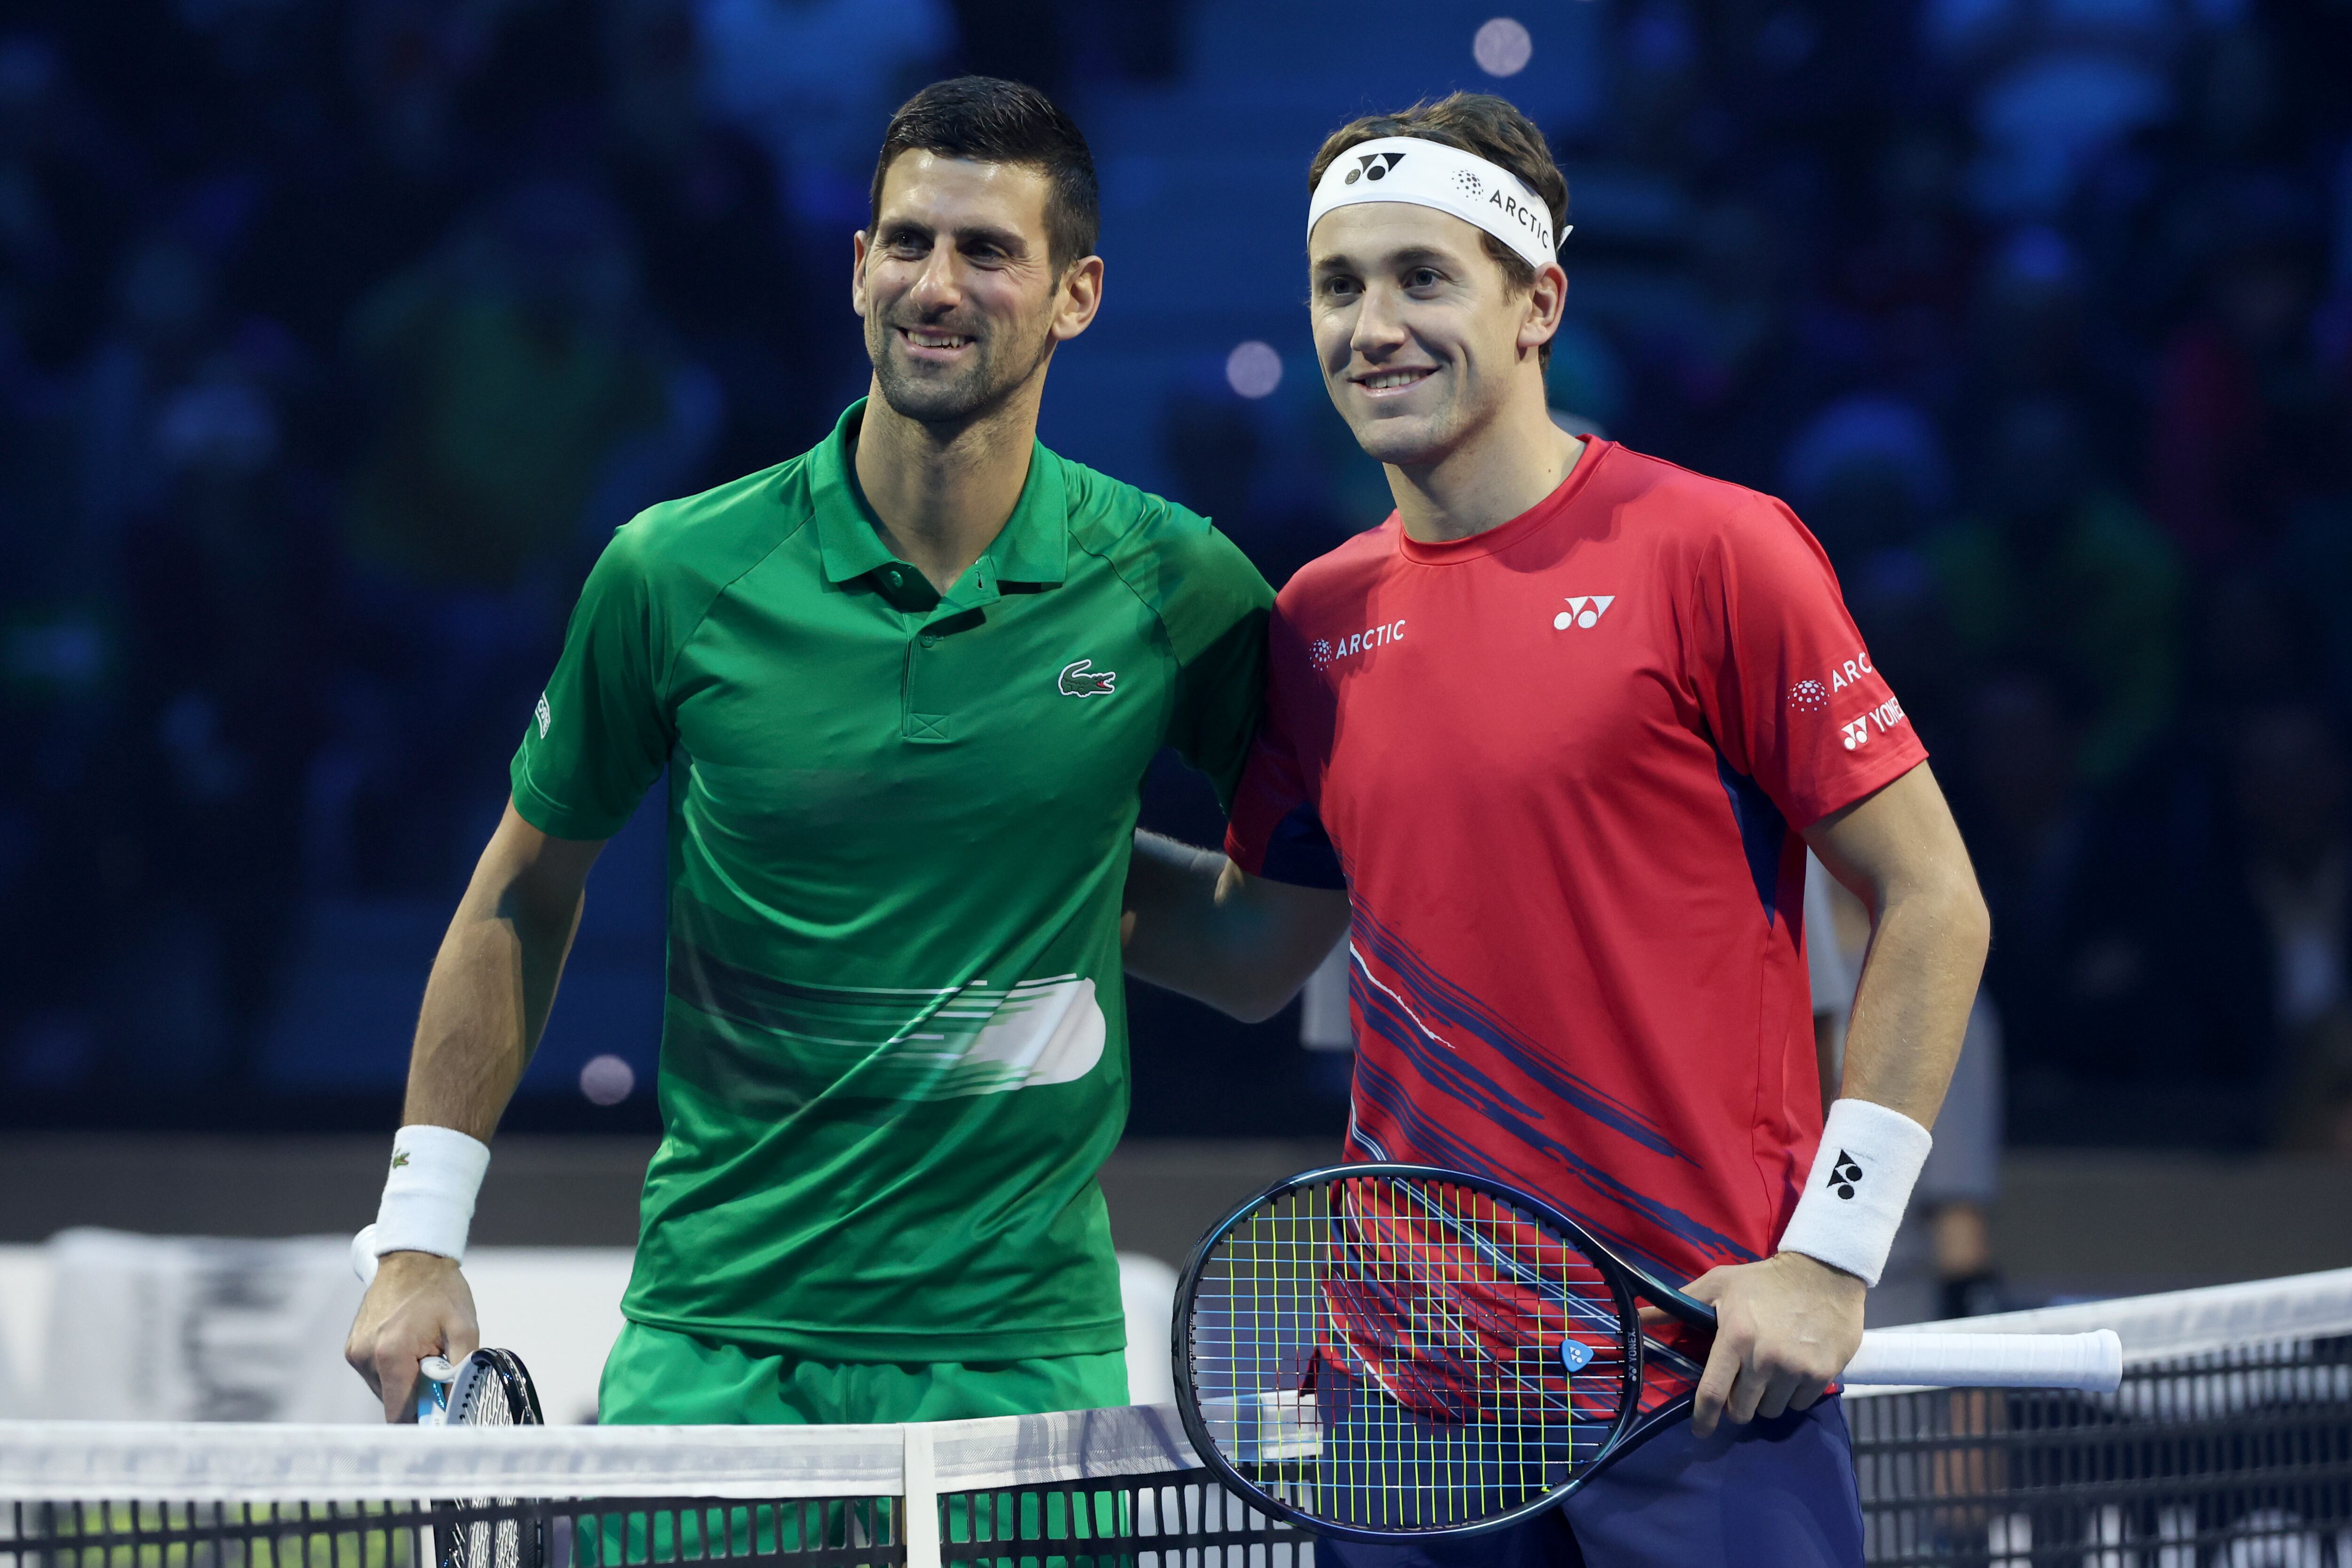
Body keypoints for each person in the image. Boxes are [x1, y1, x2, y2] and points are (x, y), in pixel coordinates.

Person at [1122, 94, 1989, 1568]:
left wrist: (1834, 1259)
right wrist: (995, 853)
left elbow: (1933, 904)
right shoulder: (1317, 621)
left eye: (1422, 277)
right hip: (1408, 1407)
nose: (1371, 324)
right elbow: (1262, 945)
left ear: (1539, 303)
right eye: (1339, 286)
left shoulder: (1717, 550)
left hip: (1698, 1375)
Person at [342, 77, 1273, 1426]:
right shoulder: (675, 570)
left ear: (1078, 295)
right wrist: (417, 1235)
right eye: (908, 242)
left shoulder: (1179, 584)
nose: (936, 285)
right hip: (716, 1354)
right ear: (857, 269)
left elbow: (1276, 936)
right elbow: (520, 891)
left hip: (1025, 1367)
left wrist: (1068, 881)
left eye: (989, 252)